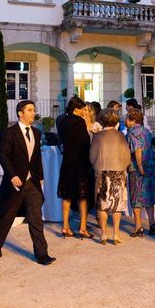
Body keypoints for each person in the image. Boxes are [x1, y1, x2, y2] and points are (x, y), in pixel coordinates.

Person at [0, 100, 55, 265]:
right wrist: (12, 175)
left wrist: (40, 176)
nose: (33, 113)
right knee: (6, 216)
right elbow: (3, 156)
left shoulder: (36, 132)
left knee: (35, 218)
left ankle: (42, 254)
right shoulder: (8, 133)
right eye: (30, 110)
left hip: (32, 182)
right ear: (20, 113)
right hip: (15, 183)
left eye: (33, 110)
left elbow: (36, 158)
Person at [89, 108, 131, 245]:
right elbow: (126, 155)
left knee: (102, 205)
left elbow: (92, 156)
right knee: (117, 206)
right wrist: (124, 167)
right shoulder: (120, 136)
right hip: (118, 172)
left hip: (102, 172)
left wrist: (97, 167)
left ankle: (103, 234)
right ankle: (116, 233)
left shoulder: (98, 136)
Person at [57, 96, 94, 239]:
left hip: (67, 161)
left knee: (66, 195)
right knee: (82, 196)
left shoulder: (62, 120)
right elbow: (85, 142)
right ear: (76, 108)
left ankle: (65, 226)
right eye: (82, 109)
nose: (83, 111)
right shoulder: (79, 121)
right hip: (80, 162)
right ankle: (83, 227)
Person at [125, 108, 155, 237]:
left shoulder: (132, 132)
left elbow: (137, 149)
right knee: (149, 196)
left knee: (136, 197)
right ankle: (152, 224)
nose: (125, 121)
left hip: (138, 169)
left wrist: (139, 166)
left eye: (127, 119)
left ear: (132, 120)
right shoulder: (147, 131)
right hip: (150, 166)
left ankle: (138, 226)